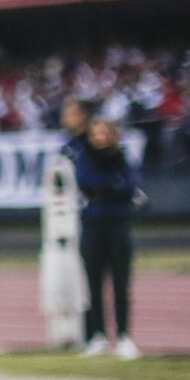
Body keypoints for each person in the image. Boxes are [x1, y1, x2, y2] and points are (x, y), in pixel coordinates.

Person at [69, 117, 144, 359]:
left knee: (121, 285)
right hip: (92, 226)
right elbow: (86, 183)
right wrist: (113, 187)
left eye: (103, 133)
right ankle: (97, 336)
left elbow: (132, 185)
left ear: (112, 135)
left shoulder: (123, 158)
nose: (99, 138)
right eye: (95, 134)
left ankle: (124, 336)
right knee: (94, 285)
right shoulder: (84, 158)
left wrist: (107, 189)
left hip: (118, 226)